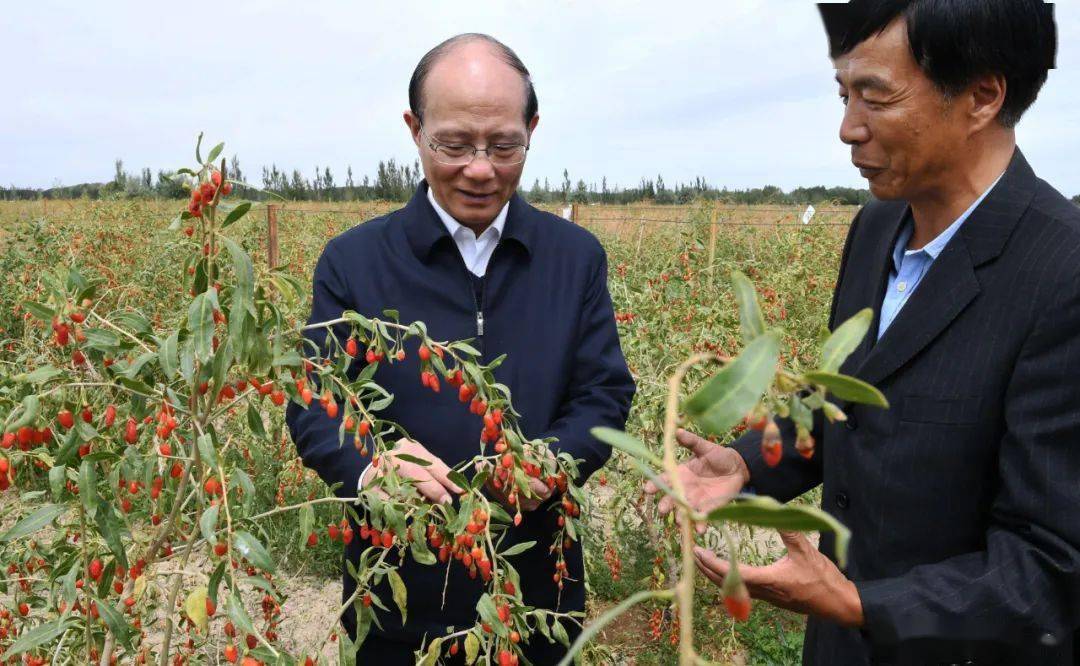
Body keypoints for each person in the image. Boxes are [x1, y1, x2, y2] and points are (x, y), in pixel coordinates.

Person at [649, 1, 1080, 664]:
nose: (848, 128)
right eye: (844, 94)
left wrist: (861, 605)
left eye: (875, 97)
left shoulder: (1061, 274)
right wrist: (747, 465)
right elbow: (853, 408)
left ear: (983, 96)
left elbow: (1050, 569)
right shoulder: (877, 228)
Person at [286, 33, 635, 663]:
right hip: (397, 594)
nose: (480, 168)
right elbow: (315, 405)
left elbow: (603, 395)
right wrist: (374, 468)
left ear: (532, 129)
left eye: (505, 145)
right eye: (453, 144)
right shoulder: (354, 263)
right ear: (414, 130)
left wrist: (551, 464)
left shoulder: (574, 258)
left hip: (534, 597)